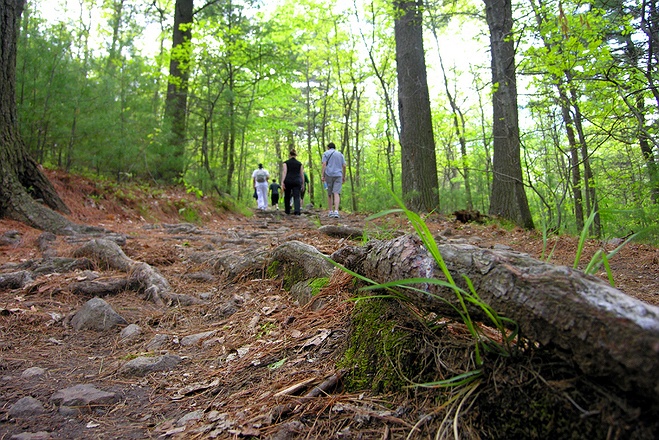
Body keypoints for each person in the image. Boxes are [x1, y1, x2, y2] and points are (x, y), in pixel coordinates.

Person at [321, 142, 346, 218]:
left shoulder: (326, 153)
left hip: (329, 174)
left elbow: (324, 164)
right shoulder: (340, 154)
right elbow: (344, 166)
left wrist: (322, 175)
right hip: (338, 175)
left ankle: (330, 211)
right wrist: (344, 176)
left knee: (329, 193)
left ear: (328, 147)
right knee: (336, 193)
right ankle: (336, 211)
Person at [281, 149, 304, 215]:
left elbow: (284, 172)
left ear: (289, 155)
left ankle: (287, 211)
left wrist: (282, 182)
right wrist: (302, 183)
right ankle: (297, 211)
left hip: (288, 180)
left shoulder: (285, 163)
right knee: (297, 196)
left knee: (287, 195)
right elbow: (301, 174)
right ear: (295, 155)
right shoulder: (299, 164)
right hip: (297, 181)